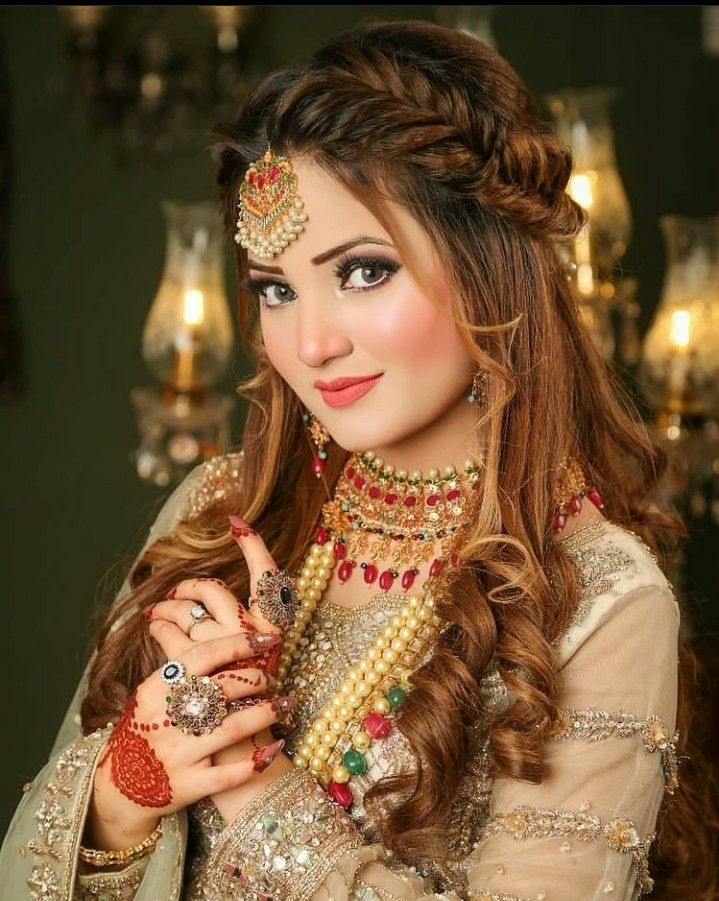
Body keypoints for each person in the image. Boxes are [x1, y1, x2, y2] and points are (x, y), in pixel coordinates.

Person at [2, 17, 717, 901]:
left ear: (486, 266)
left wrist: (250, 777)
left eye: (363, 272)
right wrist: (126, 790)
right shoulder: (220, 511)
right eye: (275, 287)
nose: (309, 341)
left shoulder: (601, 596)